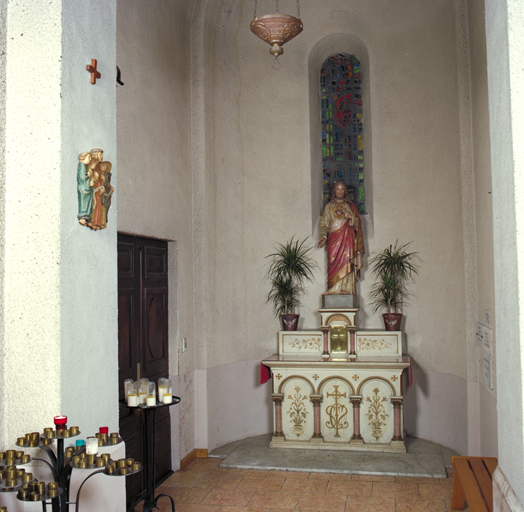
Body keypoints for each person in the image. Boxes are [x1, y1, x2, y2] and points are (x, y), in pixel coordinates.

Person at [318, 181, 364, 295]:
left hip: (347, 239)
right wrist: (323, 236)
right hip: (333, 239)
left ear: (345, 191)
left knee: (347, 260)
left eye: (342, 189)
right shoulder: (329, 206)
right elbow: (324, 223)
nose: (339, 191)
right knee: (332, 261)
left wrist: (351, 217)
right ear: (334, 191)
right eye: (337, 189)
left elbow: (358, 223)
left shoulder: (350, 206)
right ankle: (333, 289)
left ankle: (347, 288)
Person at [77, 152, 93, 225]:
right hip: (83, 188)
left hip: (86, 187)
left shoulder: (84, 166)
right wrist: (88, 175)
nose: (90, 159)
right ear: (83, 158)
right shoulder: (81, 165)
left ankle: (86, 216)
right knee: (83, 202)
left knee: (87, 201)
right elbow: (81, 177)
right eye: (88, 157)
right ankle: (82, 216)